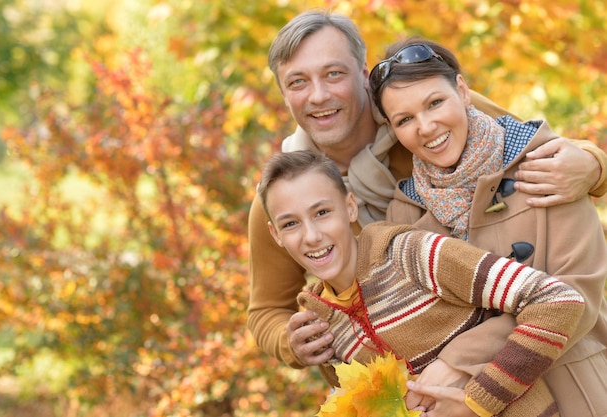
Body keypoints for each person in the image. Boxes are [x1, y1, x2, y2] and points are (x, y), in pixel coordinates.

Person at [247, 9, 607, 391]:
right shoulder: (285, 196)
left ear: (363, 74)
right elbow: (266, 309)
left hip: (540, 345)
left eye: (333, 73)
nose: (318, 95)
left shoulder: (429, 112)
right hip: (421, 386)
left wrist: (594, 165)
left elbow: (524, 145)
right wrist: (290, 341)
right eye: (298, 82)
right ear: (283, 93)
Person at [368, 36, 607, 417]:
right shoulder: (405, 213)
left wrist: (457, 362)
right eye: (405, 120)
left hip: (575, 392)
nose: (426, 127)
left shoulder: (547, 166)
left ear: (462, 91)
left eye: (435, 103)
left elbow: (578, 297)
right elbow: (421, 325)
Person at [257, 149, 585, 417]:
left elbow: (555, 300)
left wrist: (477, 401)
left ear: (350, 207)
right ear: (276, 236)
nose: (312, 236)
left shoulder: (411, 254)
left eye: (322, 213)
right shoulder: (322, 327)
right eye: (290, 224)